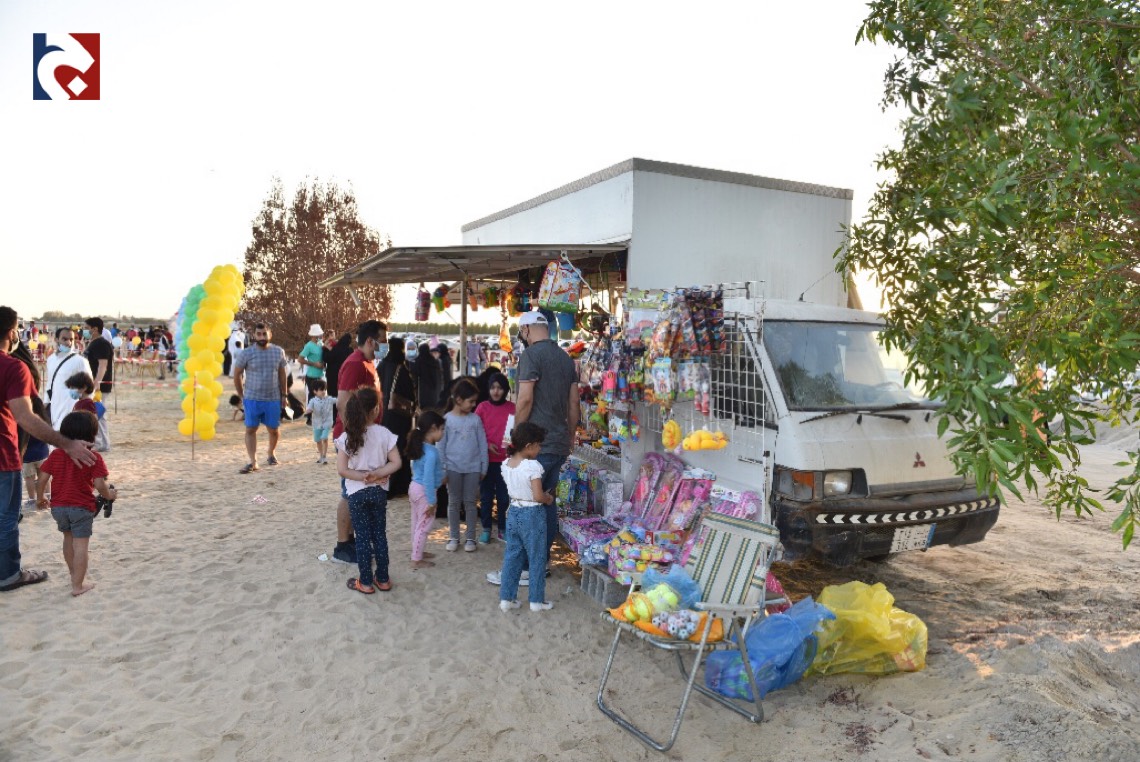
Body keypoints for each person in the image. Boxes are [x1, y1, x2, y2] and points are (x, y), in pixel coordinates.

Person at [1, 305, 96, 593]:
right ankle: (8, 574)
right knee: (6, 519)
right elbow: (25, 416)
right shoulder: (13, 367)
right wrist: (66, 443)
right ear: (11, 332)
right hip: (3, 457)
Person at [486, 310, 579, 587]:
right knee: (545, 503)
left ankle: (525, 568)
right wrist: (570, 436)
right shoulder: (565, 358)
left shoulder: (531, 356)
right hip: (558, 444)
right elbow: (574, 404)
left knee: (526, 505)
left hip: (534, 445)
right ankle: (541, 563)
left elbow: (524, 400)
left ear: (526, 330)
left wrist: (515, 435)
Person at [37, 410, 116, 597]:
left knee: (68, 539)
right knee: (81, 545)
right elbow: (100, 485)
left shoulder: (56, 455)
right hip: (81, 508)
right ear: (92, 435)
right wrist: (110, 495)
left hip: (58, 507)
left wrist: (40, 498)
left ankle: (74, 573)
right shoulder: (94, 458)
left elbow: (42, 478)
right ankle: (78, 586)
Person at [329, 320, 387, 565]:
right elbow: (343, 404)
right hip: (353, 439)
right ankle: (342, 546)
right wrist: (355, 439)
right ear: (371, 341)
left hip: (363, 437)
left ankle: (351, 539)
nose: (385, 345)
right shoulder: (355, 364)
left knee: (358, 492)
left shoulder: (368, 363)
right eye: (383, 341)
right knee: (349, 493)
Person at [335, 388, 400, 595]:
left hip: (356, 494)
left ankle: (365, 582)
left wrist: (362, 476)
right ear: (376, 409)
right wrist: (377, 474)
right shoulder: (384, 433)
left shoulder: (347, 436)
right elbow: (396, 462)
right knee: (379, 535)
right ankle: (383, 579)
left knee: (362, 537)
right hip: (378, 491)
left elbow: (342, 470)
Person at [497, 422, 555, 613]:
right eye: (538, 445)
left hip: (514, 511)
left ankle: (507, 598)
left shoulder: (507, 464)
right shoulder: (532, 466)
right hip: (532, 514)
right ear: (529, 446)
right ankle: (536, 600)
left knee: (512, 556)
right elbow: (538, 496)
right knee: (537, 557)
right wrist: (548, 499)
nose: (540, 449)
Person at [439, 378, 487, 553]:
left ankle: (470, 538)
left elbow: (482, 444)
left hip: (473, 469)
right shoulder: (446, 420)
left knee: (470, 503)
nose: (474, 405)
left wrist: (483, 466)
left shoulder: (475, 420)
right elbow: (441, 447)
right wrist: (443, 470)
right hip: (452, 469)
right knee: (453, 503)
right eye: (471, 401)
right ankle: (454, 537)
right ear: (458, 399)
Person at [233, 323, 288, 474]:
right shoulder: (246, 353)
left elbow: (282, 374)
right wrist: (241, 395)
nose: (262, 337)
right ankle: (253, 461)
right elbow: (237, 374)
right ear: (254, 335)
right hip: (252, 398)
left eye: (264, 333)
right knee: (251, 429)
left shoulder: (278, 352)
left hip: (273, 398)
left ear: (270, 334)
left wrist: (284, 395)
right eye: (259, 334)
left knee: (274, 430)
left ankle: (271, 453)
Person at [476, 372, 515, 543]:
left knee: (504, 498)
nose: (496, 391)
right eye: (493, 387)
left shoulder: (512, 408)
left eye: (499, 388)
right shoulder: (482, 408)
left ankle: (502, 528)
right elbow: (475, 432)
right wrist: (486, 444)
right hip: (486, 462)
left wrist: (512, 448)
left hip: (505, 462)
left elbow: (515, 432)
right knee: (486, 498)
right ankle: (486, 529)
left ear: (505, 389)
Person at [406, 410, 445, 570]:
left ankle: (417, 551)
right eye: (442, 429)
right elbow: (428, 478)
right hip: (424, 491)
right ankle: (416, 559)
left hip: (414, 487)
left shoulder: (419, 447)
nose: (443, 433)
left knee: (417, 522)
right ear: (433, 428)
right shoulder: (431, 452)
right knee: (424, 525)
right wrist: (432, 501)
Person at [377, 337, 415, 497]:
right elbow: (410, 393)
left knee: (386, 449)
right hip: (399, 416)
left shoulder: (382, 365)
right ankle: (399, 485)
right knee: (400, 448)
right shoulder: (402, 368)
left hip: (383, 413)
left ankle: (386, 485)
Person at [44, 327, 91, 429]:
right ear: (56, 339)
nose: (68, 342)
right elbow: (50, 382)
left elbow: (89, 386)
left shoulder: (80, 361)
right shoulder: (51, 359)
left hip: (72, 405)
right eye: (64, 339)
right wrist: (46, 402)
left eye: (71, 339)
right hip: (55, 403)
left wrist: (85, 406)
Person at [299, 323, 326, 424]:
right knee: (312, 396)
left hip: (320, 375)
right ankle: (309, 418)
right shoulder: (308, 346)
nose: (321, 335)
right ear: (314, 335)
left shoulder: (321, 344)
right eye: (319, 334)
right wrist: (314, 364)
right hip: (311, 376)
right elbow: (300, 359)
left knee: (321, 396)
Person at [304, 378, 336, 464]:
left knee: (324, 438)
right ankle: (321, 455)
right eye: (321, 390)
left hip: (327, 423)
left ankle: (324, 456)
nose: (323, 391)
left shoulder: (329, 399)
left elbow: (338, 400)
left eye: (325, 389)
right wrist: (308, 411)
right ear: (315, 391)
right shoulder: (313, 401)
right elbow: (309, 408)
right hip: (317, 424)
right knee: (318, 440)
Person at [83, 317, 115, 397]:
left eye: (86, 328)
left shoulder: (101, 344)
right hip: (89, 384)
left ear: (95, 329)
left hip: (99, 387)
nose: (84, 331)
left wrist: (97, 382)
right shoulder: (93, 343)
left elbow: (103, 365)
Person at [412, 341, 442, 417]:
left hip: (423, 392)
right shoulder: (435, 361)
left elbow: (414, 375)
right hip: (435, 392)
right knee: (433, 411)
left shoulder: (418, 361)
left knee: (424, 412)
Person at [325, 332, 354, 402]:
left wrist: (327, 349)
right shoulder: (350, 350)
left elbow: (326, 358)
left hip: (332, 376)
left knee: (332, 396)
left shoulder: (335, 348)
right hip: (344, 376)